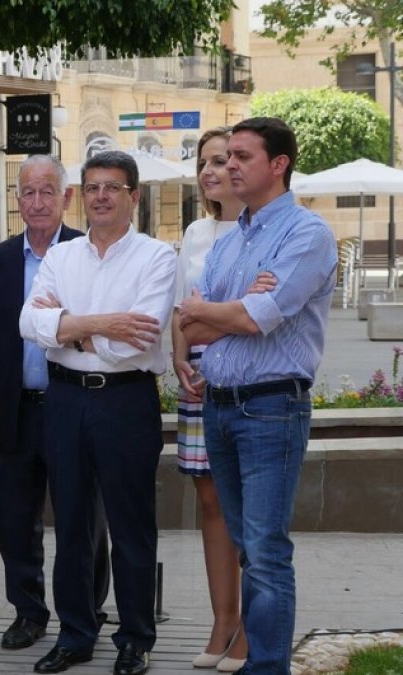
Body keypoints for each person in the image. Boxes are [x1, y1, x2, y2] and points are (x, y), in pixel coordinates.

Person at [180, 117, 337, 675]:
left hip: (271, 407)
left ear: (279, 165)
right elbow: (190, 329)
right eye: (225, 159)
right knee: (248, 545)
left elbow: (255, 318)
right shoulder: (231, 240)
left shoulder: (305, 234)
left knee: (266, 553)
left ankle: (266, 667)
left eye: (241, 157)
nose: (227, 167)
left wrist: (225, 310)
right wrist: (226, 310)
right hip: (220, 406)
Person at [19, 150, 176, 675]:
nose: (101, 196)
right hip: (64, 400)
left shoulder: (157, 258)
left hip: (126, 401)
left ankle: (134, 638)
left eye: (112, 187)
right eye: (92, 187)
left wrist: (70, 325)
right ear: (80, 196)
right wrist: (102, 323)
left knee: (131, 525)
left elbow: (142, 338)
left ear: (133, 196)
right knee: (71, 524)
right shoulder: (61, 257)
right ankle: (76, 633)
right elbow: (28, 323)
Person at [0, 154, 110, 651]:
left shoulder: (87, 251)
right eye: (27, 192)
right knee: (15, 520)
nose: (36, 202)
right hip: (16, 407)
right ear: (17, 200)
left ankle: (87, 611)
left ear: (66, 197)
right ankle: (28, 612)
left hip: (72, 405)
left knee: (82, 518)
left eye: (46, 191)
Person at [171, 128, 257, 671]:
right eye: (204, 162)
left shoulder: (260, 231)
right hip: (196, 378)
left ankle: (249, 628)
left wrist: (205, 325)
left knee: (248, 509)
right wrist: (180, 358)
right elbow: (184, 308)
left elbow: (247, 315)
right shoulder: (196, 232)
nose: (210, 171)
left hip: (245, 378)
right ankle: (221, 620)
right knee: (210, 504)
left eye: (222, 160)